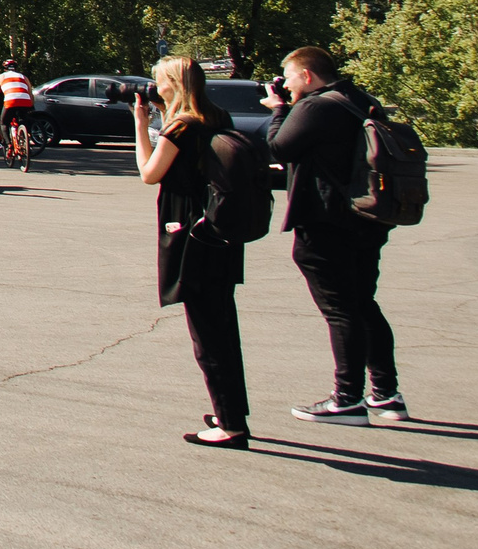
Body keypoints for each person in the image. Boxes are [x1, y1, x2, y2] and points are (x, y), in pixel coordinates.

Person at [264, 46, 407, 426]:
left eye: (289, 77)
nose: (286, 85)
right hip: (368, 218)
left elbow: (278, 148)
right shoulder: (360, 99)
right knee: (363, 304)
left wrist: (278, 109)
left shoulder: (315, 106)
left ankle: (347, 399)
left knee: (341, 310)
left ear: (307, 76)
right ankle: (386, 394)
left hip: (325, 221)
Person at [135, 55, 251, 448]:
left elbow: (149, 173)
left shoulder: (180, 126)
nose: (156, 87)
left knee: (207, 334)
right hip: (219, 229)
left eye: (160, 81)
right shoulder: (218, 117)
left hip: (189, 232)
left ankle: (231, 426)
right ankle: (230, 411)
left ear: (175, 83)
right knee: (223, 327)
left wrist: (140, 125)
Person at [0, 60, 36, 161]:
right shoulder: (23, 77)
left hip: (11, 101)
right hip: (25, 101)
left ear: (4, 68)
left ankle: (9, 145)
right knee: (23, 121)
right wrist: (31, 106)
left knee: (4, 123)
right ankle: (25, 140)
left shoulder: (0, 77)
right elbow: (30, 93)